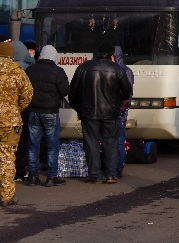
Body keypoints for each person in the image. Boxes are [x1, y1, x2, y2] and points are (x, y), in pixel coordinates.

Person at [68, 43, 132, 185]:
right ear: (111, 54)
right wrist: (116, 103)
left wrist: (80, 108)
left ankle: (95, 175)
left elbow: (72, 92)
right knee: (111, 143)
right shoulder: (117, 69)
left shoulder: (83, 67)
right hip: (111, 112)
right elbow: (127, 92)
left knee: (91, 143)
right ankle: (110, 174)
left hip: (89, 112)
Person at [24, 45, 69, 187]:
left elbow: (25, 89)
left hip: (34, 111)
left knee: (33, 145)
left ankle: (33, 176)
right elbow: (65, 90)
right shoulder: (58, 71)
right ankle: (51, 177)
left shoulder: (30, 69)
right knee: (52, 145)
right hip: (50, 112)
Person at [0, 42, 33, 206]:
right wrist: (15, 109)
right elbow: (27, 95)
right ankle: (6, 196)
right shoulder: (17, 71)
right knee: (7, 157)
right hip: (10, 122)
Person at [11, 40, 34, 182]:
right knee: (22, 142)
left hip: (3, 114)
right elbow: (27, 95)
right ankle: (19, 171)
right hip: (20, 114)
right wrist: (20, 108)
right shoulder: (26, 70)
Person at [110, 46, 133, 180]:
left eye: (112, 55)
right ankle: (113, 167)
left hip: (119, 110)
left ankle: (118, 167)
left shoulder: (125, 71)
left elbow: (127, 94)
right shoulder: (120, 70)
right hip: (114, 109)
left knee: (119, 140)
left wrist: (120, 108)